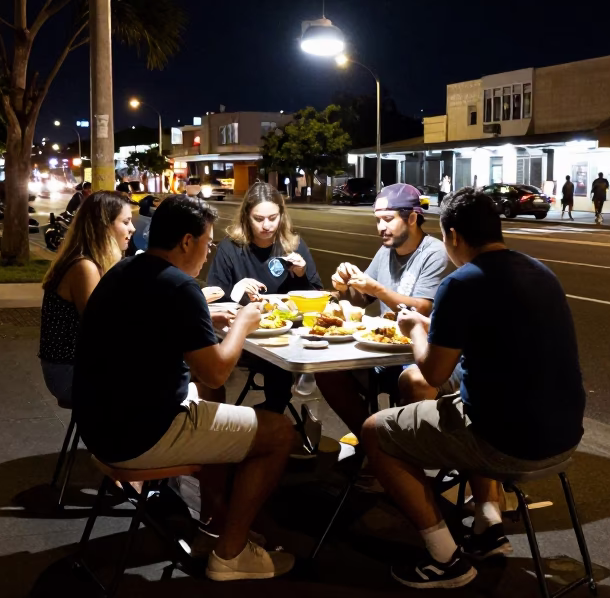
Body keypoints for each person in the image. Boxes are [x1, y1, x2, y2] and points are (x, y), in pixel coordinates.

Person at [361, 188, 586, 588]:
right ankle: (487, 521)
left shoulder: (462, 283)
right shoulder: (541, 273)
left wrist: (413, 329)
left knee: (375, 432)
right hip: (565, 437)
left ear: (453, 236)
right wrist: (434, 330)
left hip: (506, 444)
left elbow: (432, 371)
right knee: (462, 399)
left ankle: (445, 559)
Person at [74, 195, 297, 581]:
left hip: (98, 427)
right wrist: (244, 321)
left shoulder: (124, 271)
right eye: (207, 243)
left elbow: (151, 325)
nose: (209, 252)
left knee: (211, 410)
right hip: (141, 434)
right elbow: (215, 373)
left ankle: (215, 526)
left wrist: (205, 315)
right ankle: (232, 554)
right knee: (279, 433)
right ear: (186, 242)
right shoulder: (179, 286)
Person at [317, 183, 452, 439]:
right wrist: (343, 287)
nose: (381, 227)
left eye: (388, 220)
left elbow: (422, 307)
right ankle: (371, 441)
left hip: (418, 353)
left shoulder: (434, 253)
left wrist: (377, 289)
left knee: (413, 383)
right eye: (378, 220)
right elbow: (361, 299)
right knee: (326, 371)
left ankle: (400, 451)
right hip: (383, 352)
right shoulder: (385, 251)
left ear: (412, 218)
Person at [208, 183, 323, 415]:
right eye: (258, 218)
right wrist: (237, 290)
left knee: (310, 348)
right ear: (246, 217)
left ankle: (272, 417)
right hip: (247, 335)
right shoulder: (231, 248)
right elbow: (213, 295)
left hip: (289, 330)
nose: (266, 225)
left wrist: (300, 276)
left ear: (282, 215)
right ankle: (270, 419)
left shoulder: (294, 246)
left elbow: (318, 296)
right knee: (277, 360)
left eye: (273, 218)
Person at [39, 191, 135, 405]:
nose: (132, 228)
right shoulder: (84, 267)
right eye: (126, 221)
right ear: (103, 226)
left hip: (82, 366)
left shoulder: (92, 263)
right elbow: (104, 327)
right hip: (70, 373)